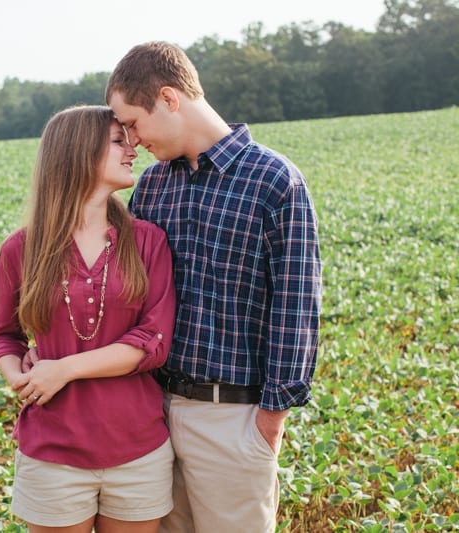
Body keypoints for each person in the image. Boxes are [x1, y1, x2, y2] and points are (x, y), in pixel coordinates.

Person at [104, 42, 322, 532]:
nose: (132, 142)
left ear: (169, 98)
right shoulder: (154, 186)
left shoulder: (275, 180)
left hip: (234, 417)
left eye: (133, 123)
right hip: (152, 412)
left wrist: (269, 421)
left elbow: (295, 308)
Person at [0, 105, 177, 533]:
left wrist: (64, 370)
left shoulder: (148, 241)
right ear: (78, 152)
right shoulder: (20, 249)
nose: (133, 149)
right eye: (117, 141)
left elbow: (154, 341)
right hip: (52, 452)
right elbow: (4, 337)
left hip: (139, 450)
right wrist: (17, 375)